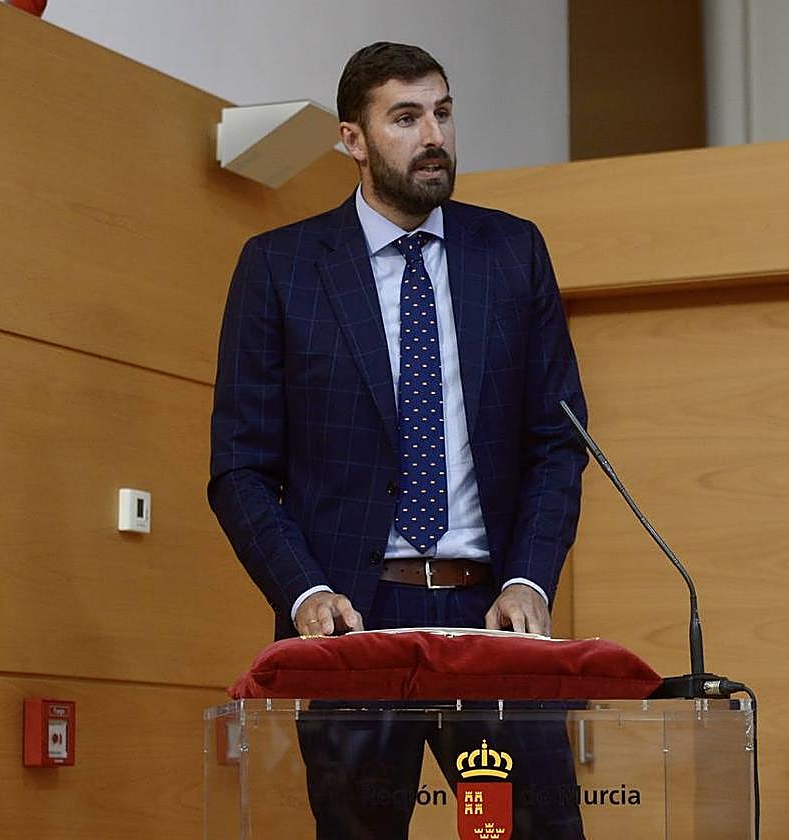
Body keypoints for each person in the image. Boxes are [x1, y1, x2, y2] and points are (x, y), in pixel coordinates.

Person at [209, 41, 588, 839]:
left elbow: (559, 443)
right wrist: (304, 593)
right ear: (353, 139)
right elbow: (241, 467)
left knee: (524, 832)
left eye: (443, 113)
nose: (434, 137)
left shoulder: (512, 252)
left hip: (490, 617)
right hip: (354, 621)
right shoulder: (281, 268)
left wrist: (530, 579)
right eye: (406, 117)